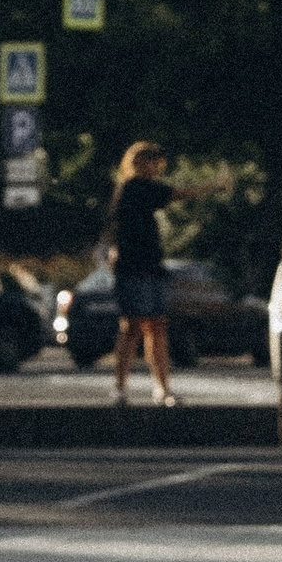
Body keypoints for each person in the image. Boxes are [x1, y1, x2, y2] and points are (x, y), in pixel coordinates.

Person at [106, 140, 178, 406]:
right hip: (134, 267)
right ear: (140, 162)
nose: (157, 168)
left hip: (147, 265)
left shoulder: (132, 189)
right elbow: (175, 194)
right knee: (134, 327)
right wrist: (214, 185)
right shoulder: (135, 187)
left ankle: (160, 387)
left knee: (153, 326)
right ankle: (122, 387)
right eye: (153, 162)